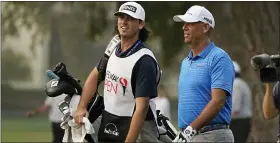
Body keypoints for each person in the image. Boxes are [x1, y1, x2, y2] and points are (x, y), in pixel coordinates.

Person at [73, 2, 161, 142]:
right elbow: (96, 75)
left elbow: (141, 109)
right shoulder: (113, 47)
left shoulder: (144, 60)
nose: (124, 22)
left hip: (138, 129)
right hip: (110, 120)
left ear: (140, 24)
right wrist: (81, 107)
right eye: (121, 17)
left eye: (130, 18)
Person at [172, 5, 235, 142]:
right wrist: (186, 131)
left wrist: (191, 129)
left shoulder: (219, 57)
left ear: (205, 27)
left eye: (190, 23)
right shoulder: (185, 62)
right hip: (189, 135)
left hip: (212, 135)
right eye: (184, 24)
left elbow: (218, 101)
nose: (184, 27)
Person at [230, 61, 252, 143]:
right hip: (244, 121)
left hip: (238, 123)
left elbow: (235, 109)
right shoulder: (243, 83)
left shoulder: (236, 85)